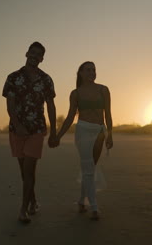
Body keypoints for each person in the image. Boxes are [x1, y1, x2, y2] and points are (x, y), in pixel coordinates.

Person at [2, 41, 57, 223]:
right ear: (26, 54)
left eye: (38, 54)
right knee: (23, 172)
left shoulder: (46, 80)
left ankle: (23, 210)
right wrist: (17, 125)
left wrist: (54, 130)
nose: (34, 56)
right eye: (31, 53)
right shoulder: (13, 77)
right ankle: (33, 201)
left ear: (42, 59)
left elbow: (50, 105)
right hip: (17, 130)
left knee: (29, 170)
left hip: (36, 130)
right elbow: (10, 104)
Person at [54, 61, 113, 220]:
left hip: (100, 132)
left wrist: (110, 135)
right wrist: (58, 136)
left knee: (90, 168)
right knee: (88, 168)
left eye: (94, 70)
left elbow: (107, 113)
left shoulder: (103, 89)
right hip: (83, 131)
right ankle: (94, 207)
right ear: (80, 73)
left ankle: (81, 201)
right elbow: (69, 118)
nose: (92, 73)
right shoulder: (76, 93)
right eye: (88, 70)